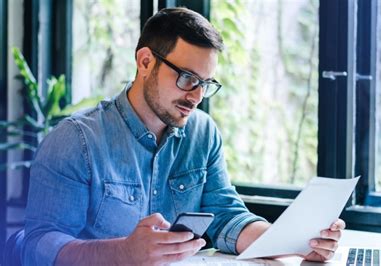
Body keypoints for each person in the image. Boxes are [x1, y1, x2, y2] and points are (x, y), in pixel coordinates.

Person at [22, 7, 345, 265]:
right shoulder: (76, 140)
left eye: (206, 83)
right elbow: (40, 245)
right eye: (188, 78)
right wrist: (123, 254)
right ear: (145, 61)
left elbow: (225, 215)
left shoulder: (202, 132)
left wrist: (296, 243)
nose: (196, 96)